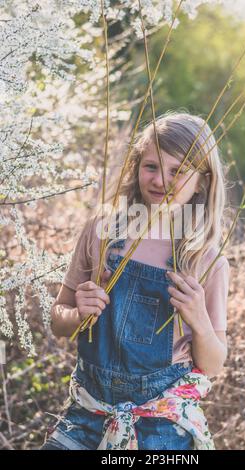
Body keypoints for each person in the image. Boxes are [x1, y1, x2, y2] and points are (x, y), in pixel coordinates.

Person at [40, 111, 230, 450]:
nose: (161, 180)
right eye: (152, 166)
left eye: (178, 170)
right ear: (136, 166)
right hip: (88, 412)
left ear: (202, 180)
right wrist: (78, 314)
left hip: (160, 428)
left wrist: (200, 321)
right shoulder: (102, 231)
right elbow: (58, 322)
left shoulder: (205, 260)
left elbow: (213, 365)